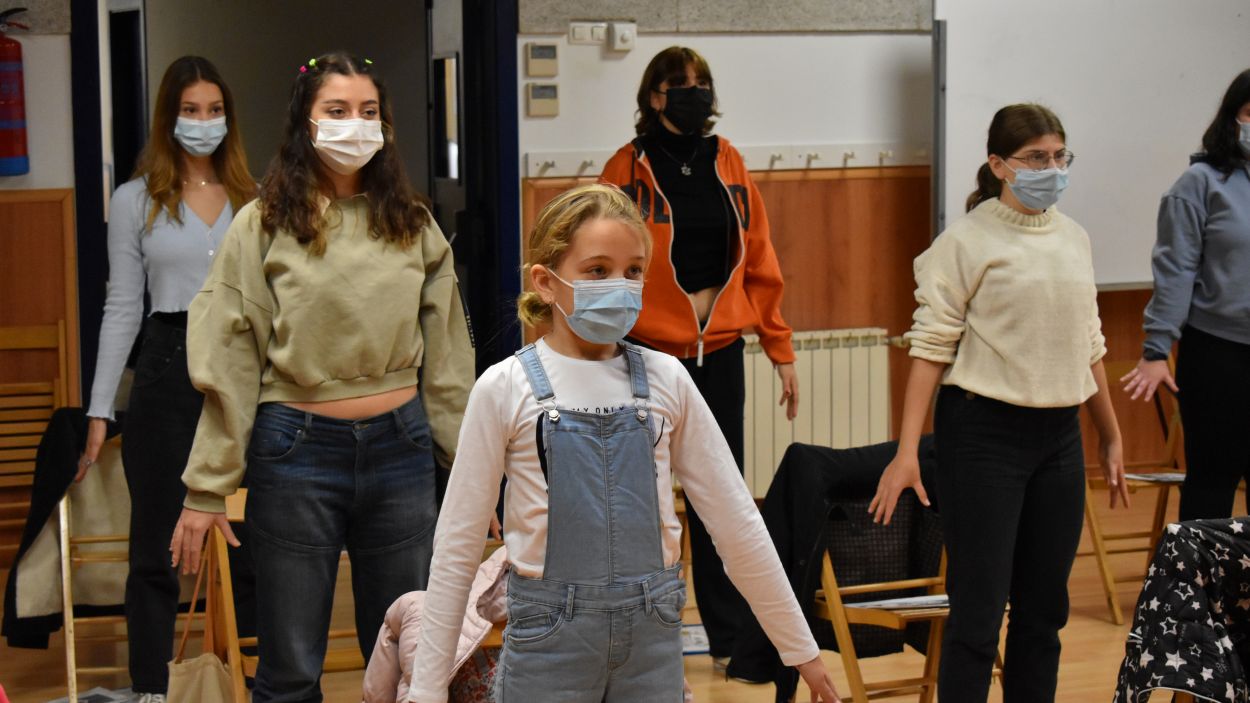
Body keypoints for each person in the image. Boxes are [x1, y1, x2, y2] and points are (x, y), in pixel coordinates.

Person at [407, 184, 839, 703]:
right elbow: (456, 548)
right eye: (597, 270)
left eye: (633, 271)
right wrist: (426, 691)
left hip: (652, 650)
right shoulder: (503, 388)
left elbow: (736, 522)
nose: (619, 285)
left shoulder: (667, 379)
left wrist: (799, 648)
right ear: (545, 282)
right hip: (547, 651)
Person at [167, 51, 475, 702]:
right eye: (337, 110)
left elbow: (449, 361)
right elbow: (230, 360)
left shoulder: (413, 223)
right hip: (295, 452)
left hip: (402, 451)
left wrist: (474, 473)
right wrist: (207, 487)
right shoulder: (261, 224)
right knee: (288, 670)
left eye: (368, 111)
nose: (354, 124)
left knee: (412, 662)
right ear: (305, 123)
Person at [870, 104, 1127, 702]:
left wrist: (1112, 434)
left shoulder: (1074, 237)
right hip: (983, 435)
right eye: (1035, 158)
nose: (1051, 169)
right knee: (979, 613)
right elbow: (929, 348)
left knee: (1044, 612)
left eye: (1059, 157)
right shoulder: (965, 241)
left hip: (1060, 437)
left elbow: (1089, 343)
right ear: (998, 165)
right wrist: (906, 452)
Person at [598, 46, 798, 665]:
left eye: (702, 83)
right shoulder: (625, 168)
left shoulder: (728, 160)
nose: (694, 93)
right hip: (645, 355)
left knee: (722, 500)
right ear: (653, 95)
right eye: (680, 84)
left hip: (721, 353)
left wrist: (780, 347)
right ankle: (643, 635)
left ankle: (729, 641)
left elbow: (760, 258)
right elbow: (599, 265)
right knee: (643, 501)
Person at [75, 55, 254, 703]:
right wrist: (100, 408)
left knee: (250, 533)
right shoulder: (133, 200)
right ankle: (152, 688)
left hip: (242, 366)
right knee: (154, 542)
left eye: (214, 110)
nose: (203, 121)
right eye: (190, 110)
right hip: (164, 363)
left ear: (228, 117)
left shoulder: (254, 199)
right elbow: (122, 305)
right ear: (169, 117)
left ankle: (254, 677)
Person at [1122, 68, 1250, 521]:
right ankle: (1205, 571)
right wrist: (1156, 348)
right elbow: (1175, 270)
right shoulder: (1200, 183)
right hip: (1218, 353)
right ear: (1233, 117)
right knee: (1212, 482)